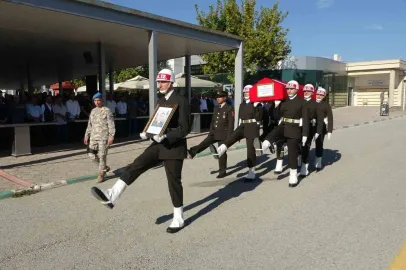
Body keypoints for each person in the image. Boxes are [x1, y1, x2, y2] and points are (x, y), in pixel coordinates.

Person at [90, 68, 191, 234]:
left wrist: (167, 136)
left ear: (172, 82)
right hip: (158, 144)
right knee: (137, 164)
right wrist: (148, 132)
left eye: (164, 81)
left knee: (173, 181)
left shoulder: (181, 100)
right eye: (159, 81)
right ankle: (112, 195)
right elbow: (157, 121)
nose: (160, 84)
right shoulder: (160, 100)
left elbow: (184, 128)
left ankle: (178, 217)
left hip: (174, 146)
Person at [261, 80, 309, 187]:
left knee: (292, 153)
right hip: (283, 125)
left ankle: (293, 175)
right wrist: (277, 105)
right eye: (287, 88)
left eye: (291, 89)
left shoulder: (302, 102)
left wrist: (305, 133)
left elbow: (305, 119)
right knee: (275, 132)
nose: (289, 90)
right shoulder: (284, 101)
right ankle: (266, 143)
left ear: (296, 89)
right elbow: (277, 116)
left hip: (295, 128)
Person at [216, 85, 263, 181]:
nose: (246, 94)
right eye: (245, 92)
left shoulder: (257, 104)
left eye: (248, 92)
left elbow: (259, 118)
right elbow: (240, 118)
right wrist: (238, 126)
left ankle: (251, 171)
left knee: (250, 150)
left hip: (252, 127)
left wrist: (257, 107)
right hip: (243, 125)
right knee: (233, 136)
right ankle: (221, 149)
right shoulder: (242, 104)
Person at [188, 90, 234, 178]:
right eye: (217, 97)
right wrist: (210, 132)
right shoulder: (216, 108)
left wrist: (229, 138)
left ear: (224, 98)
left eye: (220, 97)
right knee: (204, 143)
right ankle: (192, 152)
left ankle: (222, 171)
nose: (217, 99)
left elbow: (231, 123)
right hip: (214, 132)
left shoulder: (229, 108)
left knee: (222, 153)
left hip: (223, 134)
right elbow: (213, 121)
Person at [84, 93, 116, 183]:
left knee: (102, 156)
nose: (97, 102)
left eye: (98, 100)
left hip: (104, 137)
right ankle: (104, 168)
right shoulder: (93, 111)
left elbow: (111, 124)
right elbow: (89, 125)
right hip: (93, 137)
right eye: (95, 100)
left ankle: (101, 174)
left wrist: (111, 137)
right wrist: (86, 136)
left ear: (102, 100)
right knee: (91, 155)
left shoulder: (107, 111)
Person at [299, 84, 320, 176]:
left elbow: (319, 118)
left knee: (305, 146)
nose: (306, 92)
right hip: (298, 126)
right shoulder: (299, 101)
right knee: (297, 145)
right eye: (305, 91)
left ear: (312, 93)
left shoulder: (315, 104)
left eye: (308, 91)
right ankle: (300, 160)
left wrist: (318, 131)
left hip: (310, 127)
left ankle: (304, 165)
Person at [261, 98, 286, 174]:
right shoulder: (270, 104)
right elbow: (266, 116)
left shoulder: (284, 103)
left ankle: (279, 164)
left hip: (282, 125)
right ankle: (270, 145)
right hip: (272, 125)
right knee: (262, 137)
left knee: (280, 144)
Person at [314, 87, 333, 171]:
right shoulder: (311, 103)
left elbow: (330, 118)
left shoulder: (326, 105)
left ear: (324, 96)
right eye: (318, 94)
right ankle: (302, 161)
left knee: (319, 144)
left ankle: (318, 161)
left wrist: (329, 131)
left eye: (321, 95)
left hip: (321, 128)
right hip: (311, 126)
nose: (319, 96)